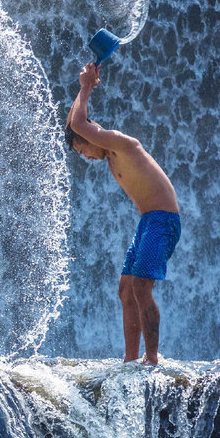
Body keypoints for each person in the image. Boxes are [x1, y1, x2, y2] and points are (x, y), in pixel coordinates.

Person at [66, 62, 181, 365]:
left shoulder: (119, 142)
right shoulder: (109, 154)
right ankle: (131, 360)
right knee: (126, 289)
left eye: (82, 152)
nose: (86, 158)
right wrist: (85, 85)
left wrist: (86, 86)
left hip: (163, 220)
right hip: (148, 221)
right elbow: (73, 124)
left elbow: (79, 125)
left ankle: (152, 359)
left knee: (141, 286)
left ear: (91, 139)